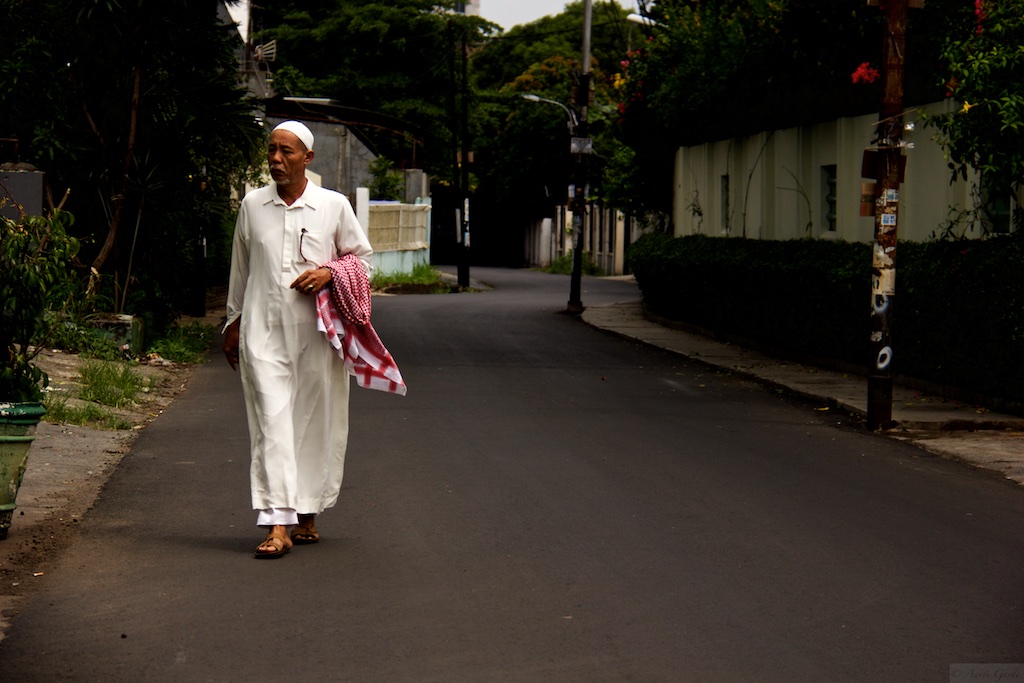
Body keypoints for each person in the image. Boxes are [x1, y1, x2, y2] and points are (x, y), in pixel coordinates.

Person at [223, 120, 373, 559]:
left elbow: (363, 263)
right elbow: (240, 270)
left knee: (313, 424)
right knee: (271, 425)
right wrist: (232, 323)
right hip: (262, 334)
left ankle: (307, 513)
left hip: (318, 337)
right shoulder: (253, 205)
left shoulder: (333, 206)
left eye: (286, 151)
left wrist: (329, 272)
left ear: (307, 158)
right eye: (271, 150)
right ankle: (277, 524)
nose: (275, 159)